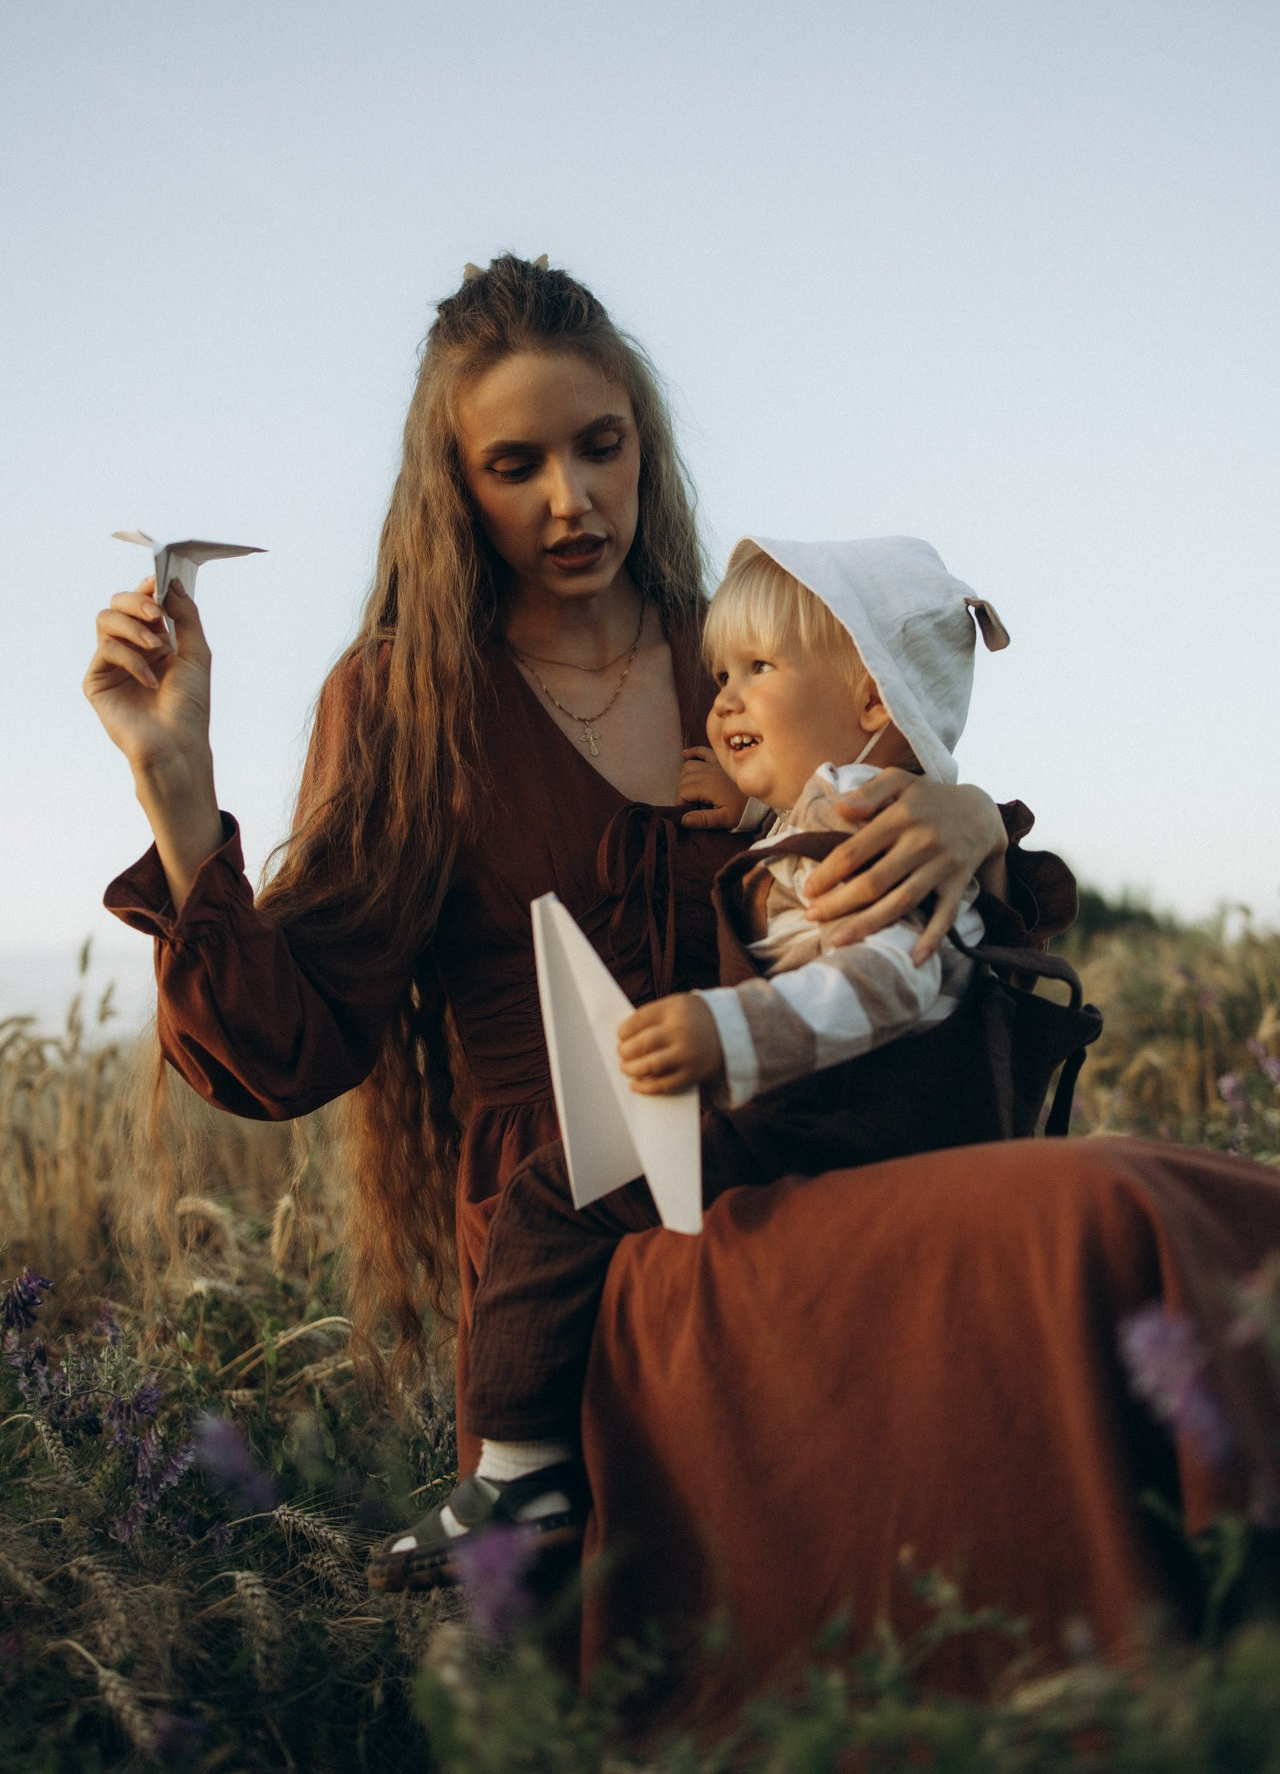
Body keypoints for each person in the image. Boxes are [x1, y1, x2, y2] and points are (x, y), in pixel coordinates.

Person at [85, 255, 1278, 1700]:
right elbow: (281, 1049)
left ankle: (1162, 1673)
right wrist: (176, 785)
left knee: (1143, 1220)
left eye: (602, 447)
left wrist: (970, 819)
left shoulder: (738, 644)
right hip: (585, 1227)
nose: (571, 501)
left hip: (809, 1153)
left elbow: (889, 886)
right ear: (452, 487)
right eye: (514, 466)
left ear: (645, 442)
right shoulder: (406, 694)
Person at [366, 532, 1097, 1591]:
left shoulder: (863, 819)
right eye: (718, 676)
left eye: (757, 670)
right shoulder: (824, 811)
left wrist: (725, 1033)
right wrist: (749, 805)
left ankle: (523, 1474)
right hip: (837, 1117)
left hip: (850, 1126)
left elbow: (897, 979)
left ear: (871, 702)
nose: (721, 699)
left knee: (558, 1198)